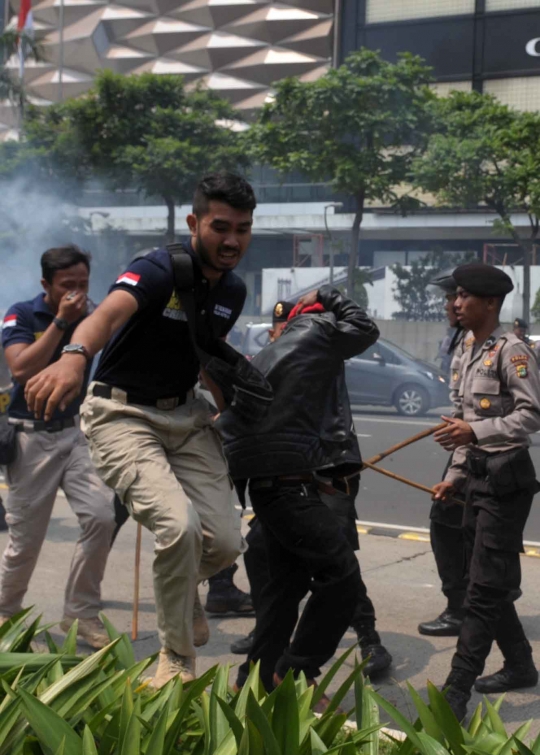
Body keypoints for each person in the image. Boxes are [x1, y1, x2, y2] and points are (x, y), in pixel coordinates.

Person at [24, 173, 255, 688]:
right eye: (220, 226)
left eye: (243, 228)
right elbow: (105, 315)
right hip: (122, 415)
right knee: (178, 529)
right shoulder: (158, 268)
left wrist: (235, 409)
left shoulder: (233, 290)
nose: (232, 240)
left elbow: (204, 356)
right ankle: (175, 661)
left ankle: (180, 590)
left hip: (186, 416)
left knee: (222, 544)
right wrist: (74, 356)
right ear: (195, 223)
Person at [218, 287, 380, 696]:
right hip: (294, 487)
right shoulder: (318, 335)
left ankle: (249, 682)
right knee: (340, 575)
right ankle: (294, 673)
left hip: (274, 486)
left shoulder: (272, 353)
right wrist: (329, 294)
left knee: (282, 595)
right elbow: (364, 328)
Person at [432, 262, 540, 721]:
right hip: (475, 477)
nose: (456, 303)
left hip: (507, 479)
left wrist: (475, 434)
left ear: (490, 303)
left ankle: (456, 691)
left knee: (481, 588)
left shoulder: (511, 352)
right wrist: (454, 476)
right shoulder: (466, 350)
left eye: (464, 297)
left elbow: (531, 416)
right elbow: (461, 424)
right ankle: (519, 666)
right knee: (487, 584)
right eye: (455, 296)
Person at [0, 245, 118, 648]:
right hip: (31, 437)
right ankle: (6, 610)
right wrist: (61, 323)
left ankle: (81, 614)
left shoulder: (94, 314)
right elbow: (20, 368)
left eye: (83, 284)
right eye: (68, 285)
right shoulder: (22, 313)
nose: (77, 293)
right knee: (26, 539)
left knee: (102, 517)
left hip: (77, 432)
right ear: (46, 284)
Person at [419, 273, 468, 637]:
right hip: (465, 449)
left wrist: (468, 429)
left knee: (450, 528)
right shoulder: (462, 341)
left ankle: (460, 609)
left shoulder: (498, 345)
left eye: (455, 296)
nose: (450, 305)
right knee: (452, 527)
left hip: (479, 453)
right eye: (452, 297)